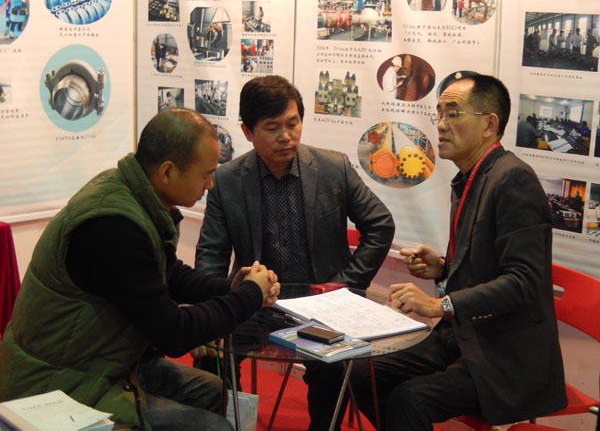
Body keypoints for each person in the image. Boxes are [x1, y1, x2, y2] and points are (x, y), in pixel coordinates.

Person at [0, 108, 281, 430]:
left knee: (212, 390)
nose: (210, 184)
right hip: (59, 383)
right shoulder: (113, 228)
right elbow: (174, 333)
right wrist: (249, 295)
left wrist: (230, 287)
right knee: (214, 426)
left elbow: (165, 272)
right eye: (205, 174)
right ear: (167, 172)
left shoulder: (128, 191)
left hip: (100, 363)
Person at [350, 74, 567, 430]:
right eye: (438, 113)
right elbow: (485, 265)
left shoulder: (513, 179)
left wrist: (442, 304)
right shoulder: (471, 177)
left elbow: (524, 281)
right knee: (362, 373)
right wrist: (442, 268)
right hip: (462, 338)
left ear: (489, 125)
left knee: (410, 399)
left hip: (504, 352)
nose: (440, 124)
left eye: (453, 114)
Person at [195, 75, 395, 430]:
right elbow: (211, 253)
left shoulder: (333, 168)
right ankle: (229, 425)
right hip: (257, 304)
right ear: (247, 131)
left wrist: (344, 285)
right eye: (272, 128)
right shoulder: (227, 180)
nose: (286, 136)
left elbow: (380, 225)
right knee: (210, 356)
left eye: (293, 123)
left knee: (331, 369)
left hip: (324, 306)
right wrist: (210, 312)